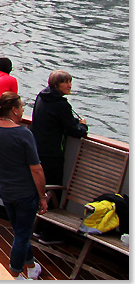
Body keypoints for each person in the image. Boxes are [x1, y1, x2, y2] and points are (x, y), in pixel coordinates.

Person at [0, 92, 47, 279]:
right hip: (25, 193)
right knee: (22, 234)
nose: (23, 110)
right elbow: (36, 169)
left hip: (5, 191)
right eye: (22, 106)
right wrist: (42, 196)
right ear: (14, 110)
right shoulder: (23, 133)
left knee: (19, 230)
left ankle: (31, 266)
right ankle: (15, 274)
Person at [30, 70, 88, 244]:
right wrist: (83, 127)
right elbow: (74, 130)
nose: (69, 85)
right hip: (52, 154)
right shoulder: (61, 104)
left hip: (37, 150)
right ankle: (50, 233)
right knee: (53, 192)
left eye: (70, 82)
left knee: (41, 190)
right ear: (56, 85)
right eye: (66, 82)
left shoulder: (41, 97)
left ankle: (38, 227)